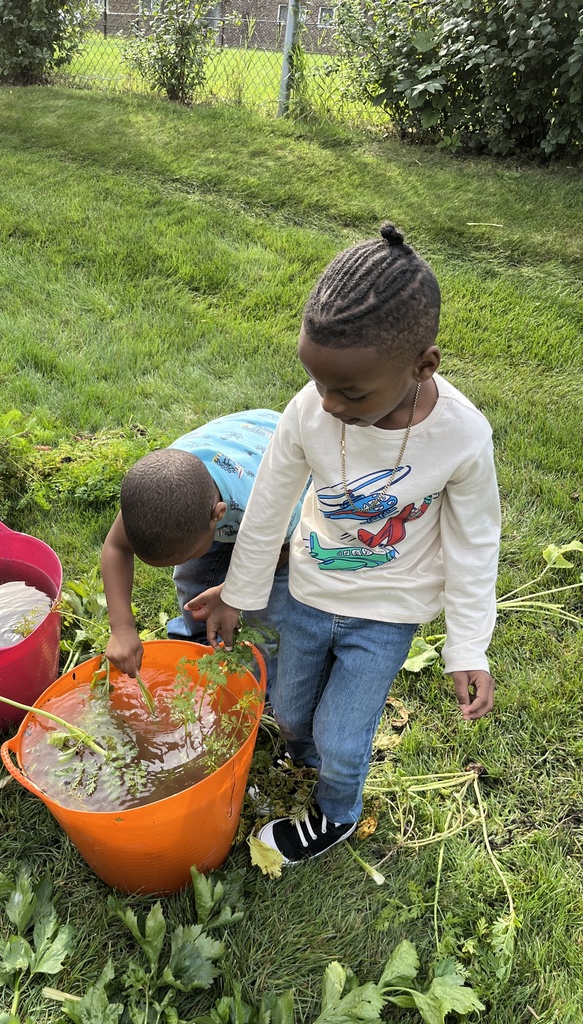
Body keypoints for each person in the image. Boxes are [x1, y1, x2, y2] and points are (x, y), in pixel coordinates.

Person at [205, 222, 501, 865]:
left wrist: (467, 646)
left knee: (344, 736)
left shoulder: (462, 437)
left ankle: (337, 810)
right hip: (309, 589)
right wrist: (241, 591)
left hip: (388, 610)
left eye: (351, 391)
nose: (329, 403)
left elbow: (476, 544)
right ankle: (307, 754)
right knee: (289, 707)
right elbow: (270, 505)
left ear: (423, 365)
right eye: (319, 383)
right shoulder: (308, 411)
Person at [100, 410, 305, 689]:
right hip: (230, 459)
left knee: (266, 613)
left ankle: (259, 685)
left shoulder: (266, 504)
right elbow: (116, 546)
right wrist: (121, 627)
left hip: (283, 519)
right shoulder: (150, 495)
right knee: (192, 577)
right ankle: (197, 644)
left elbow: (283, 550)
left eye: (187, 553)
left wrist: (231, 593)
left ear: (218, 515)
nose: (183, 561)